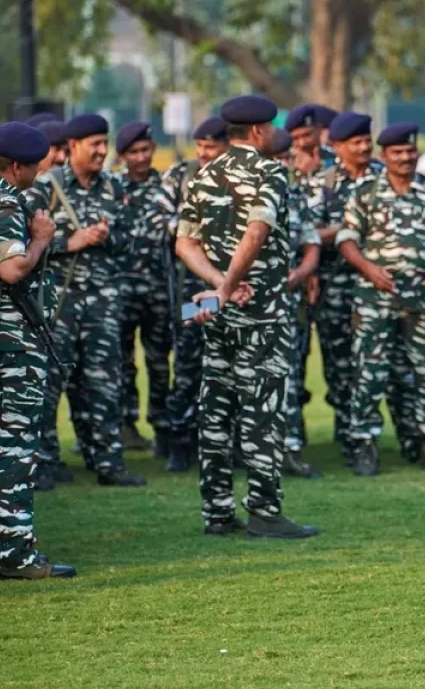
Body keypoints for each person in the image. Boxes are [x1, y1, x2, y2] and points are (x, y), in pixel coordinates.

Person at [175, 94, 317, 539]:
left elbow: (184, 243)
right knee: (263, 411)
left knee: (216, 411)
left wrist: (219, 286)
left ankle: (217, 511)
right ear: (258, 131)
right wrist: (228, 285)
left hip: (217, 314)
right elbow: (257, 231)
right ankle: (264, 510)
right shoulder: (269, 171)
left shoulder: (203, 175)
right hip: (261, 314)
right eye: (271, 128)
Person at [0, 123, 75, 579]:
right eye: (35, 165)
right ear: (16, 166)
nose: (40, 171)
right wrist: (40, 239)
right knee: (12, 447)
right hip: (12, 342)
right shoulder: (5, 202)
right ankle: (15, 555)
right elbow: (12, 268)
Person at [338, 122, 425, 476]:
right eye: (397, 152)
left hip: (422, 298)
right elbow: (346, 240)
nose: (405, 158)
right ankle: (365, 446)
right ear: (384, 156)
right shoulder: (365, 191)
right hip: (375, 296)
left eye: (410, 151)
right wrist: (368, 268)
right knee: (369, 372)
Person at [26, 115, 147, 488]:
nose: (101, 150)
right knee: (49, 385)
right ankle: (44, 465)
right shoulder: (45, 187)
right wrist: (69, 242)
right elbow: (22, 247)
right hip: (58, 304)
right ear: (73, 146)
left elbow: (131, 239)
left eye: (104, 143)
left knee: (103, 384)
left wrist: (107, 237)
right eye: (94, 143)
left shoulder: (113, 186)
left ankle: (107, 461)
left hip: (102, 304)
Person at [306, 112, 420, 468]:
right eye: (355, 143)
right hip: (337, 290)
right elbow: (308, 233)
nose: (363, 148)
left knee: (398, 365)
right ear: (337, 146)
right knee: (342, 368)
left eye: (366, 141)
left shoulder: (384, 176)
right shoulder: (322, 183)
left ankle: (411, 438)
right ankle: (351, 438)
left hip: (382, 289)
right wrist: (349, 228)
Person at [159, 116, 229, 473]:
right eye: (199, 147)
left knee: (228, 366)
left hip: (229, 287)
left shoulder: (238, 179)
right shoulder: (179, 176)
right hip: (190, 288)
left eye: (210, 148)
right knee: (187, 365)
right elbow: (161, 222)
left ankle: (226, 444)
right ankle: (180, 442)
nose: (202, 154)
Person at [113, 121, 175, 455]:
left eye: (145, 150)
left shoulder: (166, 187)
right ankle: (126, 426)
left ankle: (163, 426)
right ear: (123, 156)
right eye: (134, 152)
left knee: (159, 361)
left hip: (158, 291)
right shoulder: (111, 188)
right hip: (121, 291)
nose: (141, 157)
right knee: (122, 362)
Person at [267, 127, 322, 479]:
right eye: (279, 159)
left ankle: (289, 449)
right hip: (246, 302)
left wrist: (300, 274)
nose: (285, 165)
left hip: (286, 303)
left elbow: (311, 245)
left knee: (288, 376)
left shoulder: (295, 197)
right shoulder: (237, 196)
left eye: (288, 159)